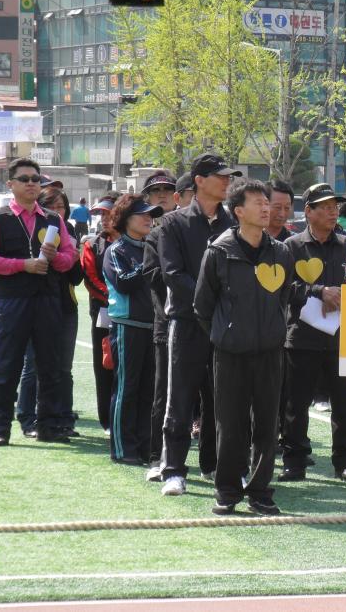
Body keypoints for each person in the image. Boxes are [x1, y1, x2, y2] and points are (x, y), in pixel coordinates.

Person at [194, 179, 294, 516]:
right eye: (257, 203)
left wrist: (270, 331)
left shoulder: (281, 252)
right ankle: (227, 491)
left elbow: (284, 298)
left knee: (267, 425)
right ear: (238, 211)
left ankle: (261, 492)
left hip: (270, 353)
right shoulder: (219, 252)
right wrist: (225, 335)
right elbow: (202, 306)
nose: (267, 208)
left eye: (267, 202)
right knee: (230, 424)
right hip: (230, 354)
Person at [158, 154, 240, 497]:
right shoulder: (173, 223)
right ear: (199, 181)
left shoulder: (232, 224)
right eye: (220, 176)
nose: (227, 182)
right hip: (187, 322)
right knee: (180, 397)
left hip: (224, 324)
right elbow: (172, 274)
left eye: (228, 177)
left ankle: (214, 465)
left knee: (222, 398)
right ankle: (174, 469)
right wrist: (209, 302)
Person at [0, 158, 77, 446]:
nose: (31, 184)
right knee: (5, 366)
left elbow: (69, 258)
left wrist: (55, 258)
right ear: (10, 184)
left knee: (50, 366)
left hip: (48, 300)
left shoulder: (54, 219)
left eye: (35, 179)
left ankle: (48, 426)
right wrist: (22, 265)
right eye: (25, 179)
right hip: (12, 300)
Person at [280, 183, 346, 482]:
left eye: (334, 206)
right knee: (295, 403)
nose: (332, 211)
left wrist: (343, 294)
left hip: (341, 337)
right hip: (301, 337)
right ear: (308, 212)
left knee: (344, 403)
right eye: (324, 207)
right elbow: (284, 287)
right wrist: (318, 291)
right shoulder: (291, 246)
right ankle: (295, 460)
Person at [16, 186, 84, 439]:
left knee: (64, 367)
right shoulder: (32, 231)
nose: (57, 212)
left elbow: (76, 278)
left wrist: (72, 255)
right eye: (51, 207)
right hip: (37, 305)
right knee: (33, 364)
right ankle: (27, 417)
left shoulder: (71, 233)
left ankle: (63, 417)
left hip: (66, 306)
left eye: (61, 207)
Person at [103, 194, 163, 464]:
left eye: (151, 214)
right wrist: (149, 262)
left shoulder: (151, 246)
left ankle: (144, 447)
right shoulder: (116, 250)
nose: (149, 218)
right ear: (126, 219)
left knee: (149, 390)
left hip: (154, 327)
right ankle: (121, 448)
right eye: (143, 214)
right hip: (127, 326)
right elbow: (124, 282)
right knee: (127, 388)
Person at [139, 171, 177, 480]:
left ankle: (211, 461)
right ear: (147, 198)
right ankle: (157, 457)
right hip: (167, 323)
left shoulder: (191, 227)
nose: (162, 194)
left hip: (206, 323)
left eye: (168, 189)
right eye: (156, 191)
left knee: (211, 395)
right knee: (163, 395)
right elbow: (155, 278)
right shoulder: (154, 234)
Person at [80, 193, 119, 435]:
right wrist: (116, 298)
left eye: (109, 213)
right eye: (101, 214)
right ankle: (106, 419)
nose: (104, 219)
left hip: (135, 315)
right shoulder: (92, 244)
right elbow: (91, 279)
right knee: (104, 365)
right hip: (104, 314)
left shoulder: (140, 241)